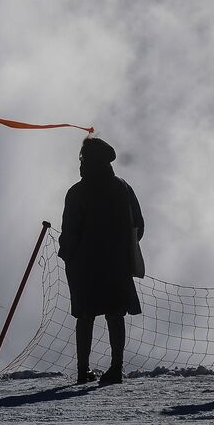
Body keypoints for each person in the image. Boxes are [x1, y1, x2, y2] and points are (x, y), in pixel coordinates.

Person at [58, 136, 143, 386]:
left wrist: (68, 255)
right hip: (117, 263)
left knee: (85, 316)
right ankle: (116, 368)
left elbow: (70, 230)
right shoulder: (123, 188)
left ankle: (82, 370)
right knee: (115, 314)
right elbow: (138, 225)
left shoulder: (77, 192)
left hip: (84, 265)